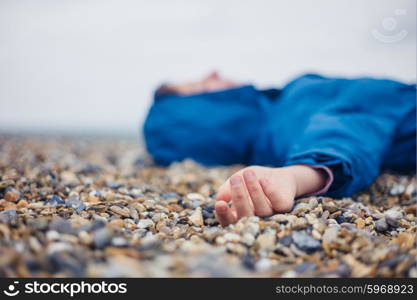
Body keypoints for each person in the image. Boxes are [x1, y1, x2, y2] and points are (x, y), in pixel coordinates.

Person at [143, 72, 416, 226]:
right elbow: (343, 129)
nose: (214, 73)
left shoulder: (277, 114)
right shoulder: (286, 116)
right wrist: (295, 176)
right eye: (202, 84)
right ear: (204, 118)